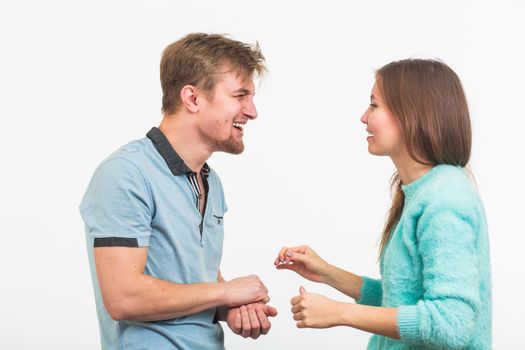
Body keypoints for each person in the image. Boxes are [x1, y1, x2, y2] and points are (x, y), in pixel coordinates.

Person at [275, 59, 492, 349]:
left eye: (374, 105)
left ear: (412, 114)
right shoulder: (423, 192)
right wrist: (327, 273)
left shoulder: (446, 199)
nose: (364, 117)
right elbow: (403, 299)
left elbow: (450, 323)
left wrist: (340, 313)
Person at [80, 33, 277, 350]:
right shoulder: (126, 174)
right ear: (193, 99)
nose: (252, 111)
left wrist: (234, 308)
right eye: (240, 96)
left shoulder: (211, 181)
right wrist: (226, 293)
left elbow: (193, 281)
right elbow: (122, 297)